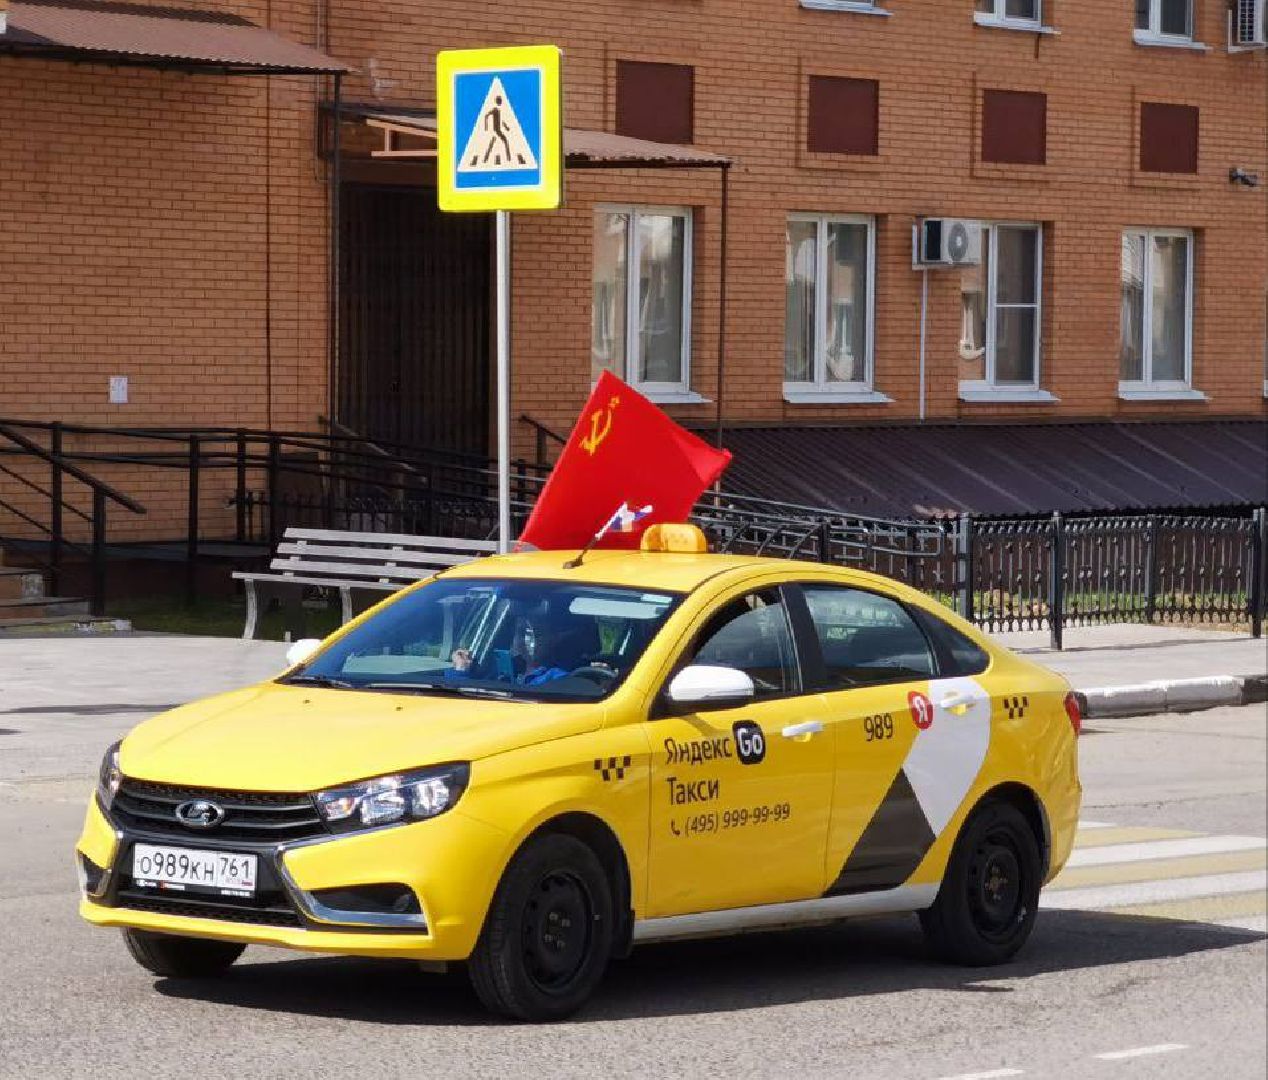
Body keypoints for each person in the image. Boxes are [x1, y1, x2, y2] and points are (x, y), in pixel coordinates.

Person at [448, 614, 572, 686]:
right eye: (521, 633)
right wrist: (461, 669)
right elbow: (462, 697)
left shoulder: (557, 677)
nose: (526, 640)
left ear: (553, 640)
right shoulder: (500, 669)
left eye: (536, 634)